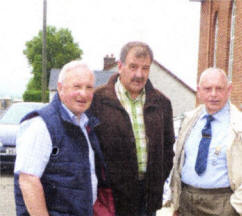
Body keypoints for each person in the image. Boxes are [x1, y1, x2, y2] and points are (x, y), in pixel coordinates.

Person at [90, 41, 175, 216]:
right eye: (133, 67)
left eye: (145, 68)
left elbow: (168, 150)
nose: (139, 74)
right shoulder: (98, 100)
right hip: (111, 199)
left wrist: (156, 182)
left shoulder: (161, 103)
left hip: (148, 200)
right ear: (120, 66)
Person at [14, 60, 105, 216]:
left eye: (89, 87)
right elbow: (28, 181)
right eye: (77, 86)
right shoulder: (41, 125)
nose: (83, 93)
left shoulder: (85, 124)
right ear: (60, 88)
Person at [171, 67, 242, 216]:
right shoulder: (189, 120)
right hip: (187, 203)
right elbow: (178, 163)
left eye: (219, 88)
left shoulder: (238, 125)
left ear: (229, 90)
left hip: (223, 206)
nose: (213, 94)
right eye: (208, 89)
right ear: (199, 91)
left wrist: (235, 208)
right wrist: (176, 202)